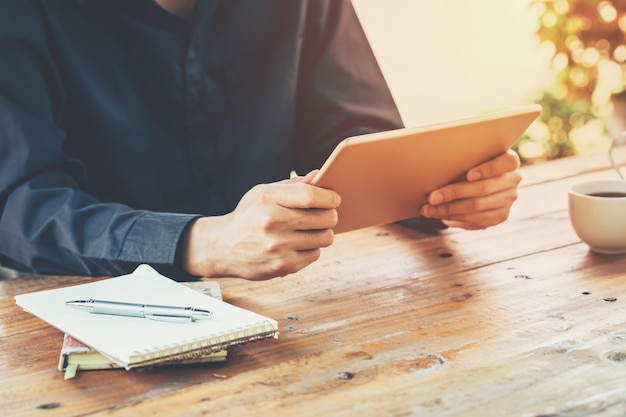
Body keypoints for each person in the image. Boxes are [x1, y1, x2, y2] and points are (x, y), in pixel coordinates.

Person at [0, 0, 522, 281]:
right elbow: (20, 208)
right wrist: (202, 242)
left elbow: (350, 137)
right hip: (80, 322)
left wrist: (437, 191)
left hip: (278, 321)